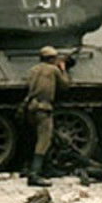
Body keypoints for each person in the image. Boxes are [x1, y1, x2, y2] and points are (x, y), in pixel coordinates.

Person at [22, 45, 72, 187]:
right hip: (44, 108)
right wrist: (63, 69)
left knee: (38, 137)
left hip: (31, 108)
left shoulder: (34, 69)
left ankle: (47, 168)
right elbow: (65, 85)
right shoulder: (53, 69)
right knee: (44, 140)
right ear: (52, 59)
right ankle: (34, 175)